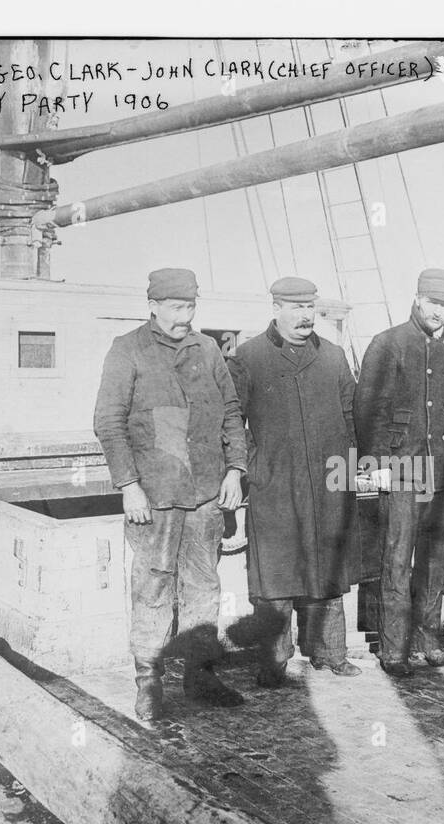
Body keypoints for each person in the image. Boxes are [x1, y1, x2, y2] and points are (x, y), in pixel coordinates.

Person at [93, 267, 247, 723]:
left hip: (204, 495)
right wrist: (128, 486)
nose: (184, 317)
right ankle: (149, 683)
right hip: (155, 497)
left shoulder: (208, 349)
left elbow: (232, 412)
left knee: (204, 588)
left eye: (191, 307)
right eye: (176, 308)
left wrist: (236, 469)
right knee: (154, 588)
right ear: (154, 306)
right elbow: (108, 421)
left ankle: (201, 676)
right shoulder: (128, 349)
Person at [227, 276, 362, 687]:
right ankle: (274, 660)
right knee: (277, 576)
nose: (305, 317)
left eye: (310, 308)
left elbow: (352, 414)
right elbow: (232, 419)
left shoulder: (334, 356)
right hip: (275, 483)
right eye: (295, 307)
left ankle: (330, 652)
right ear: (275, 308)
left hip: (327, 481)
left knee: (328, 568)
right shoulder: (248, 357)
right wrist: (254, 465)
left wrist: (352, 465)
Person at [354, 268, 444, 677]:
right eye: (433, 303)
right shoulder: (388, 343)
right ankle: (394, 649)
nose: (438, 312)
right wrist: (374, 466)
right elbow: (366, 410)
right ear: (417, 299)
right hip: (403, 468)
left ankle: (428, 641)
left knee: (436, 561)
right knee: (396, 559)